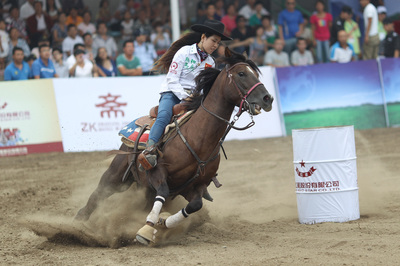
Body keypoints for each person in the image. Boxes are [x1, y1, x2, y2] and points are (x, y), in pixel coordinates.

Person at [138, 20, 231, 170]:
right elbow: (172, 79)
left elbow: (204, 88)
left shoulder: (211, 63)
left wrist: (197, 98)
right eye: (213, 40)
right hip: (172, 93)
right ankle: (150, 150)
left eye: (218, 43)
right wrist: (184, 96)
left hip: (193, 99)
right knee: (164, 116)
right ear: (203, 38)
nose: (215, 45)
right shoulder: (184, 52)